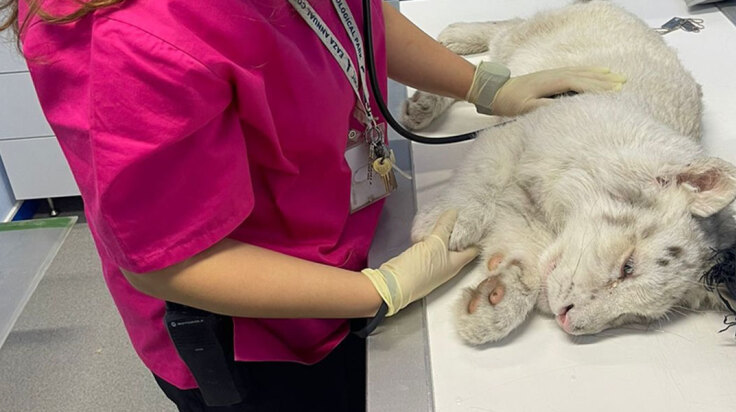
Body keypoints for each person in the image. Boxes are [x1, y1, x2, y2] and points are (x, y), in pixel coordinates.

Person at [1, 0, 625, 410]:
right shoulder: (131, 43)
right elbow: (168, 262)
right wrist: (381, 290)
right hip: (248, 327)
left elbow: (355, 17)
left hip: (337, 232)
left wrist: (485, 86)